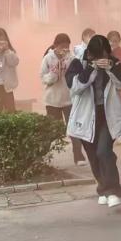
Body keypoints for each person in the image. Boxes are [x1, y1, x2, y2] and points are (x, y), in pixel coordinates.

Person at [65, 34, 121, 208]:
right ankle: (103, 188)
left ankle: (112, 191)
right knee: (93, 156)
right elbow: (75, 87)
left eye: (105, 54)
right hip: (86, 117)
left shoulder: (113, 62)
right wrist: (91, 68)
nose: (102, 58)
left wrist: (110, 68)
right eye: (98, 55)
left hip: (107, 115)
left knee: (104, 151)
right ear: (90, 53)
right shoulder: (79, 63)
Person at [40, 33, 85, 167]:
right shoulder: (48, 58)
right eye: (62, 47)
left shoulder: (72, 58)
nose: (64, 50)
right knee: (53, 129)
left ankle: (78, 156)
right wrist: (55, 72)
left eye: (67, 47)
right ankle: (41, 154)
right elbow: (44, 78)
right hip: (52, 100)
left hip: (69, 99)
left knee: (73, 129)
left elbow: (77, 75)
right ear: (55, 46)